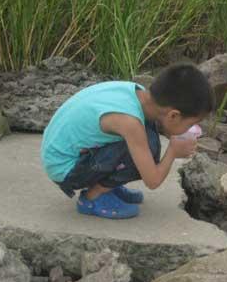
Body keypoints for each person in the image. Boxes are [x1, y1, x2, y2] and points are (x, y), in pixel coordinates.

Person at [40, 63, 214, 219]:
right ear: (173, 115)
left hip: (59, 151)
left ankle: (108, 185)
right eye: (191, 123)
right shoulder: (129, 122)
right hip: (64, 169)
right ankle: (93, 197)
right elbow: (152, 180)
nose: (192, 128)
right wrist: (173, 152)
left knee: (147, 137)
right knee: (147, 146)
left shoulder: (137, 92)